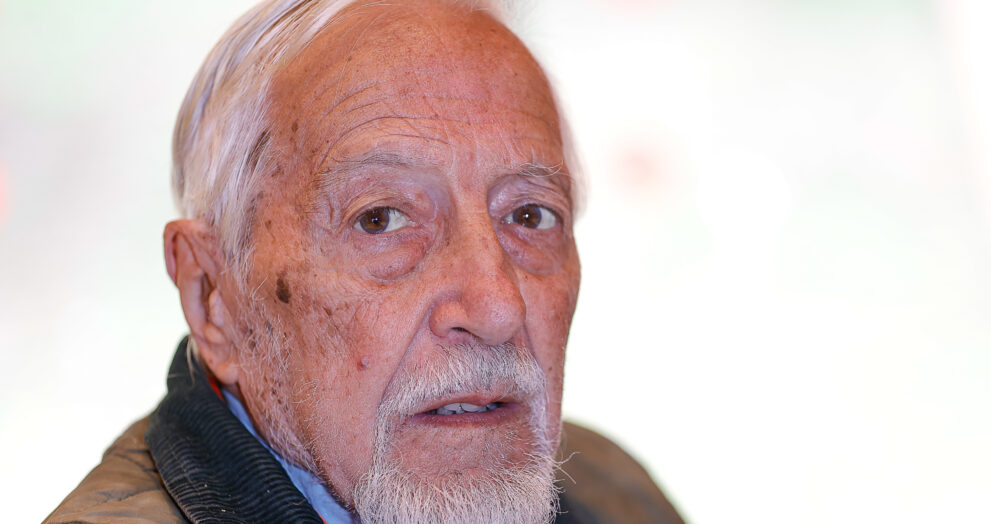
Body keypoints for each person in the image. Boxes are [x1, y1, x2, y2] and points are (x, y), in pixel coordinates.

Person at [46, 0, 682, 522]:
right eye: (381, 219)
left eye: (530, 215)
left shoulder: (616, 491)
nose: (497, 307)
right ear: (212, 296)